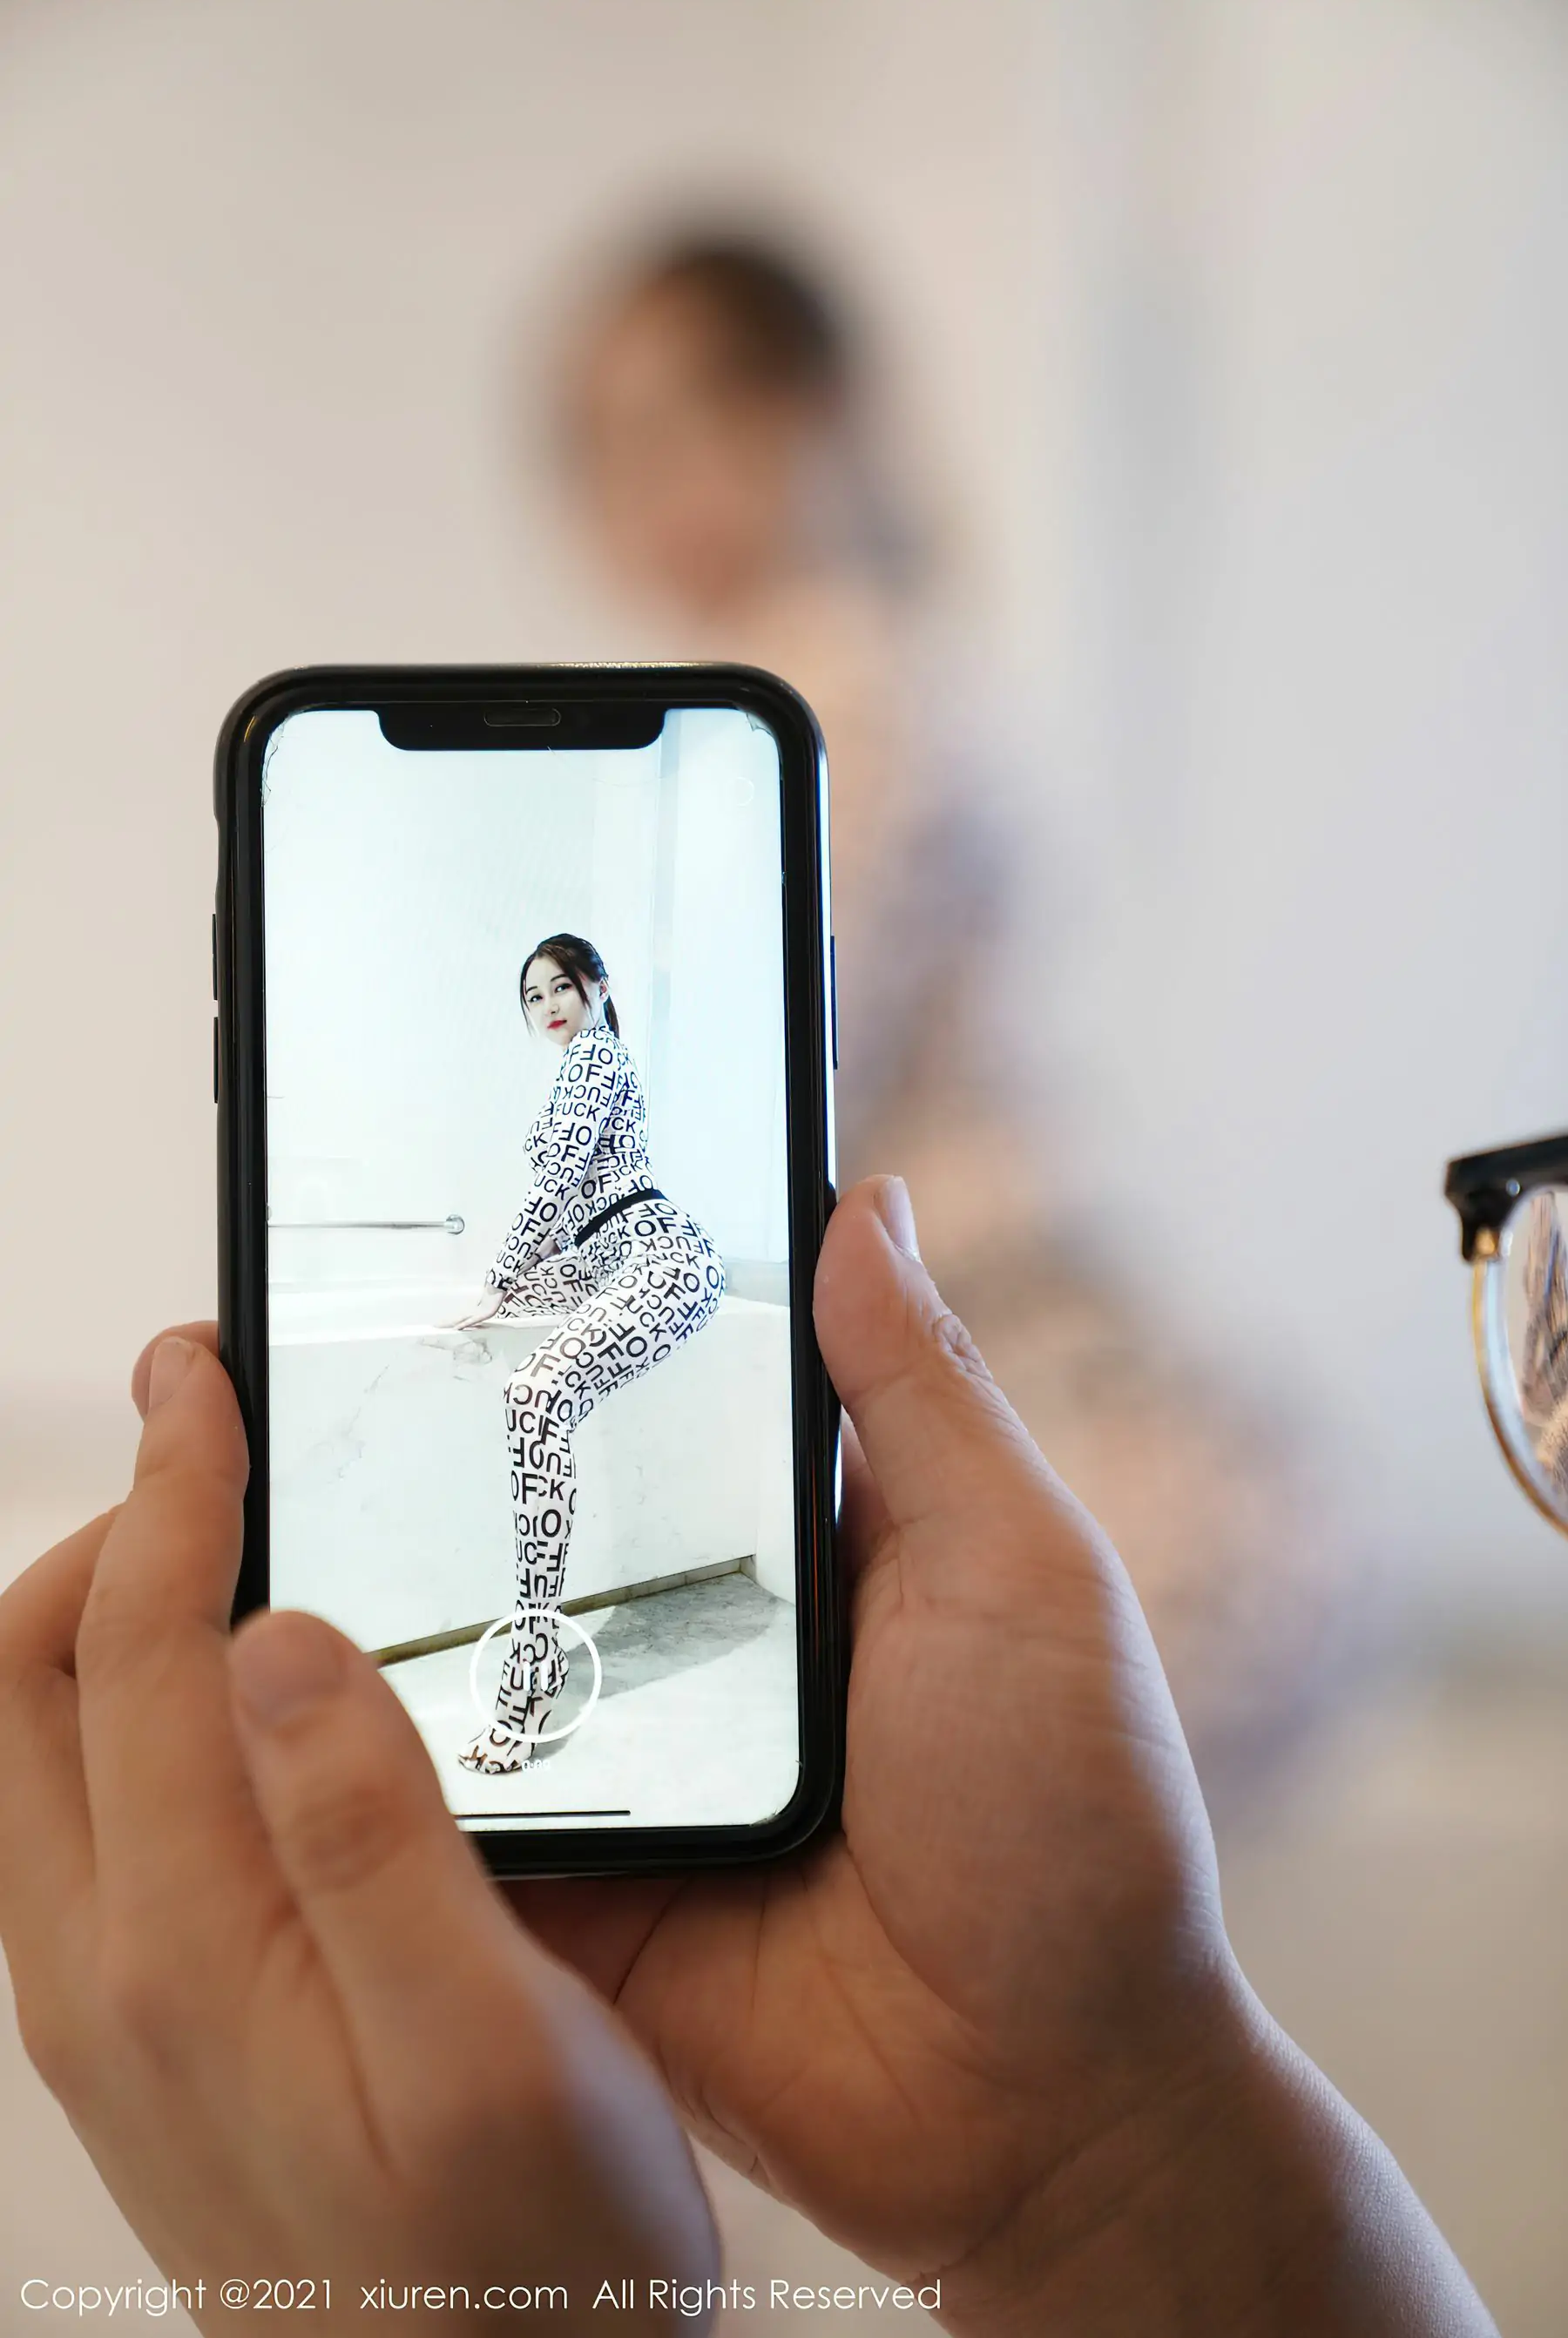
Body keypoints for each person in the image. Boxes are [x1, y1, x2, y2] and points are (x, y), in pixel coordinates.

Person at [0, 1177, 1497, 2335]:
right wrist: (1097, 2141)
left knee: (535, 1415)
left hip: (661, 1284)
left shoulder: (629, 1102)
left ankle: (542, 1609)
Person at [546, 230, 1345, 1800]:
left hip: (990, 1364)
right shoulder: (865, 658)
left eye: (691, 420)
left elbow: (756, 1086)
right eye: (606, 449)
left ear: (815, 408)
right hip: (1044, 1366)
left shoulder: (820, 680)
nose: (652, 491)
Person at [444, 934, 725, 1774]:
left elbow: (561, 1182)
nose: (548, 1006)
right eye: (532, 997)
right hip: (610, 1257)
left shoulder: (597, 1056)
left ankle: (534, 1664)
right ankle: (538, 1651)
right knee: (515, 1366)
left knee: (532, 1394)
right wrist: (506, 1293)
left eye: (560, 986)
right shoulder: (579, 1066)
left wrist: (500, 1276)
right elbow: (578, 1219)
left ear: (598, 986)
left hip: (664, 1254)